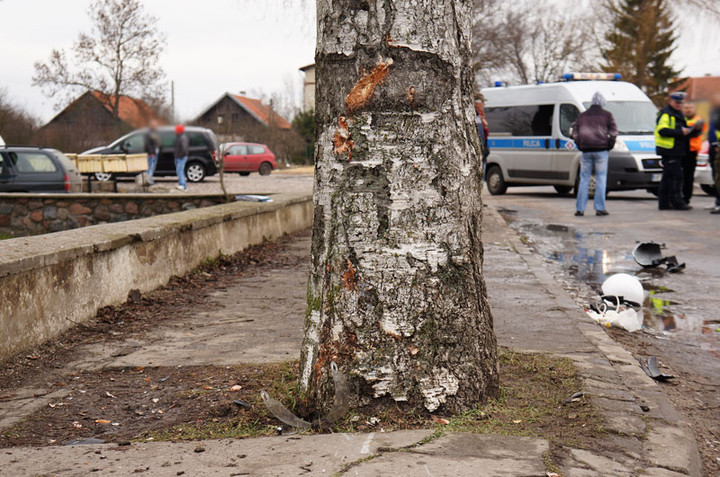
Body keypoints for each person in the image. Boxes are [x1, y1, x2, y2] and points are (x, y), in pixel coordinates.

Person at [572, 92, 617, 217]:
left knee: (584, 179)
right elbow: (613, 132)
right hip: (601, 151)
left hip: (586, 151)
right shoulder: (607, 115)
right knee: (601, 179)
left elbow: (575, 133)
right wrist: (610, 145)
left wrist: (579, 144)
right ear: (602, 102)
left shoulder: (582, 116)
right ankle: (600, 208)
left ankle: (580, 209)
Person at [655, 92, 693, 211]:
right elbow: (662, 130)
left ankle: (664, 203)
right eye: (676, 102)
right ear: (671, 101)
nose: (678, 105)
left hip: (676, 150)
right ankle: (677, 202)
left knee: (667, 177)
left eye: (680, 103)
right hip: (669, 150)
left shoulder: (678, 114)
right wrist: (680, 132)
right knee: (675, 177)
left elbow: (684, 129)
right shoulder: (667, 114)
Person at [681, 103, 706, 204]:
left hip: (692, 151)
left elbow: (695, 132)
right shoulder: (680, 118)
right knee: (680, 175)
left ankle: (686, 197)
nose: (688, 110)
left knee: (689, 175)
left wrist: (685, 131)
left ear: (694, 109)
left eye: (690, 108)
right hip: (681, 150)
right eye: (686, 108)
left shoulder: (698, 120)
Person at [474, 94, 490, 179]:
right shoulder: (473, 115)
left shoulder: (479, 116)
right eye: (482, 102)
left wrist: (485, 127)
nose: (484, 104)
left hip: (482, 150)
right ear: (476, 103)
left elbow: (485, 135)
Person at [709, 93, 720, 214]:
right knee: (715, 176)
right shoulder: (714, 112)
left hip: (718, 147)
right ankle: (718, 201)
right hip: (713, 147)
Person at [144, 120, 161, 185]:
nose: (156, 126)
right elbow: (148, 144)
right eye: (155, 125)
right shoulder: (149, 133)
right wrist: (151, 152)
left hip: (155, 152)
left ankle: (150, 180)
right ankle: (149, 181)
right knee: (150, 167)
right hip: (151, 153)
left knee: (152, 167)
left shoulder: (155, 132)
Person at [174, 124, 189, 192]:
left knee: (180, 171)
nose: (175, 131)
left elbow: (184, 149)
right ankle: (181, 184)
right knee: (179, 171)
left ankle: (183, 185)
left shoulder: (182, 137)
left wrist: (180, 156)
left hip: (181, 157)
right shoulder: (180, 137)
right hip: (179, 157)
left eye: (176, 130)